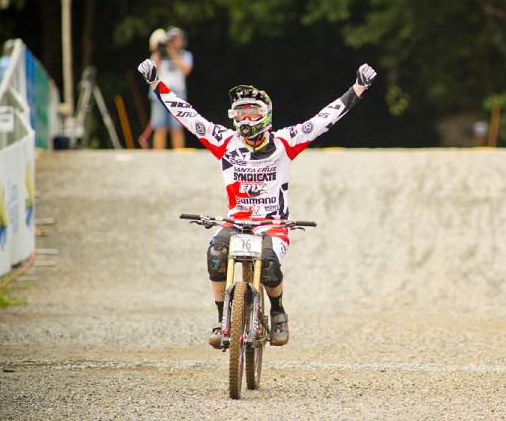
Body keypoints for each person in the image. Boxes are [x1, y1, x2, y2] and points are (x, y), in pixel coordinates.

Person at [138, 57, 377, 348]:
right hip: (234, 221)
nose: (245, 119)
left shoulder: (285, 141)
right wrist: (156, 84)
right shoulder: (224, 141)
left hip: (274, 225)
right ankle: (221, 318)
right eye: (239, 113)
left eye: (252, 112)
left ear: (266, 115)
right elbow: (188, 116)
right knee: (216, 253)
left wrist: (358, 88)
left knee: (269, 265)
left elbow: (322, 120)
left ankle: (278, 313)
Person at [149, 27, 193, 150]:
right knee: (160, 127)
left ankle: (178, 155)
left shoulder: (185, 55)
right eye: (173, 39)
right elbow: (153, 71)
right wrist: (158, 50)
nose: (175, 42)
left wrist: (172, 53)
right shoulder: (158, 54)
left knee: (177, 127)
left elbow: (186, 69)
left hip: (178, 93)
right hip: (159, 92)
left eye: (178, 39)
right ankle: (158, 155)